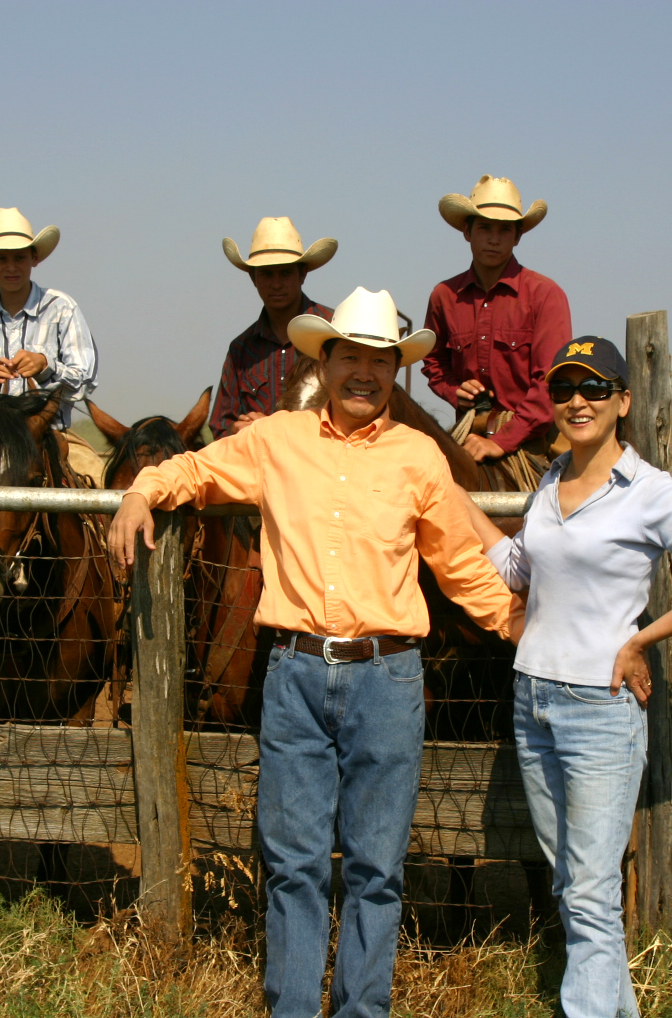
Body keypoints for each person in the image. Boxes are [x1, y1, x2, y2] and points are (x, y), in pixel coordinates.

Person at [109, 287, 515, 1018]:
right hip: (294, 673)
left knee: (375, 867)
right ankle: (292, 1008)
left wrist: (527, 628)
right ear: (324, 362)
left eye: (381, 361)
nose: (365, 373)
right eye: (351, 357)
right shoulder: (277, 443)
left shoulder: (420, 458)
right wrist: (143, 490)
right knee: (292, 863)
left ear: (399, 370)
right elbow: (197, 469)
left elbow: (463, 566)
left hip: (387, 676)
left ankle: (363, 1010)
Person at [459, 337, 672, 1018]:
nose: (578, 401)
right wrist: (457, 503)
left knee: (588, 893)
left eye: (595, 388)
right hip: (532, 699)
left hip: (599, 707)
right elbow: (518, 573)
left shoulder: (649, 491)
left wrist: (642, 638)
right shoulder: (551, 479)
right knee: (574, 886)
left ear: (623, 401)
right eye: (564, 389)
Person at [422, 175, 571, 472]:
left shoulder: (545, 295)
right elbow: (433, 362)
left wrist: (502, 440)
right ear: (468, 231)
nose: (494, 239)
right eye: (485, 228)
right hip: (468, 435)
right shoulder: (444, 296)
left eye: (505, 230)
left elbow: (550, 382)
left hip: (534, 443)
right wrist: (455, 391)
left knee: (570, 507)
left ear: (517, 237)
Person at [0, 207, 103, 484]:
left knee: (97, 477)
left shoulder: (61, 308)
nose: (11, 266)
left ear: (34, 258)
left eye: (20, 257)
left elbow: (85, 380)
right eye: (1, 258)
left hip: (50, 438)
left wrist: (46, 366)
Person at [210, 217, 336, 438]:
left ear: (302, 274)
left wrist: (270, 427)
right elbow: (221, 425)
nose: (276, 283)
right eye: (267, 273)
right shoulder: (241, 349)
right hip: (260, 467)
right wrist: (237, 431)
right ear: (253, 278)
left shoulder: (335, 330)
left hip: (328, 463)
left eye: (285, 272)